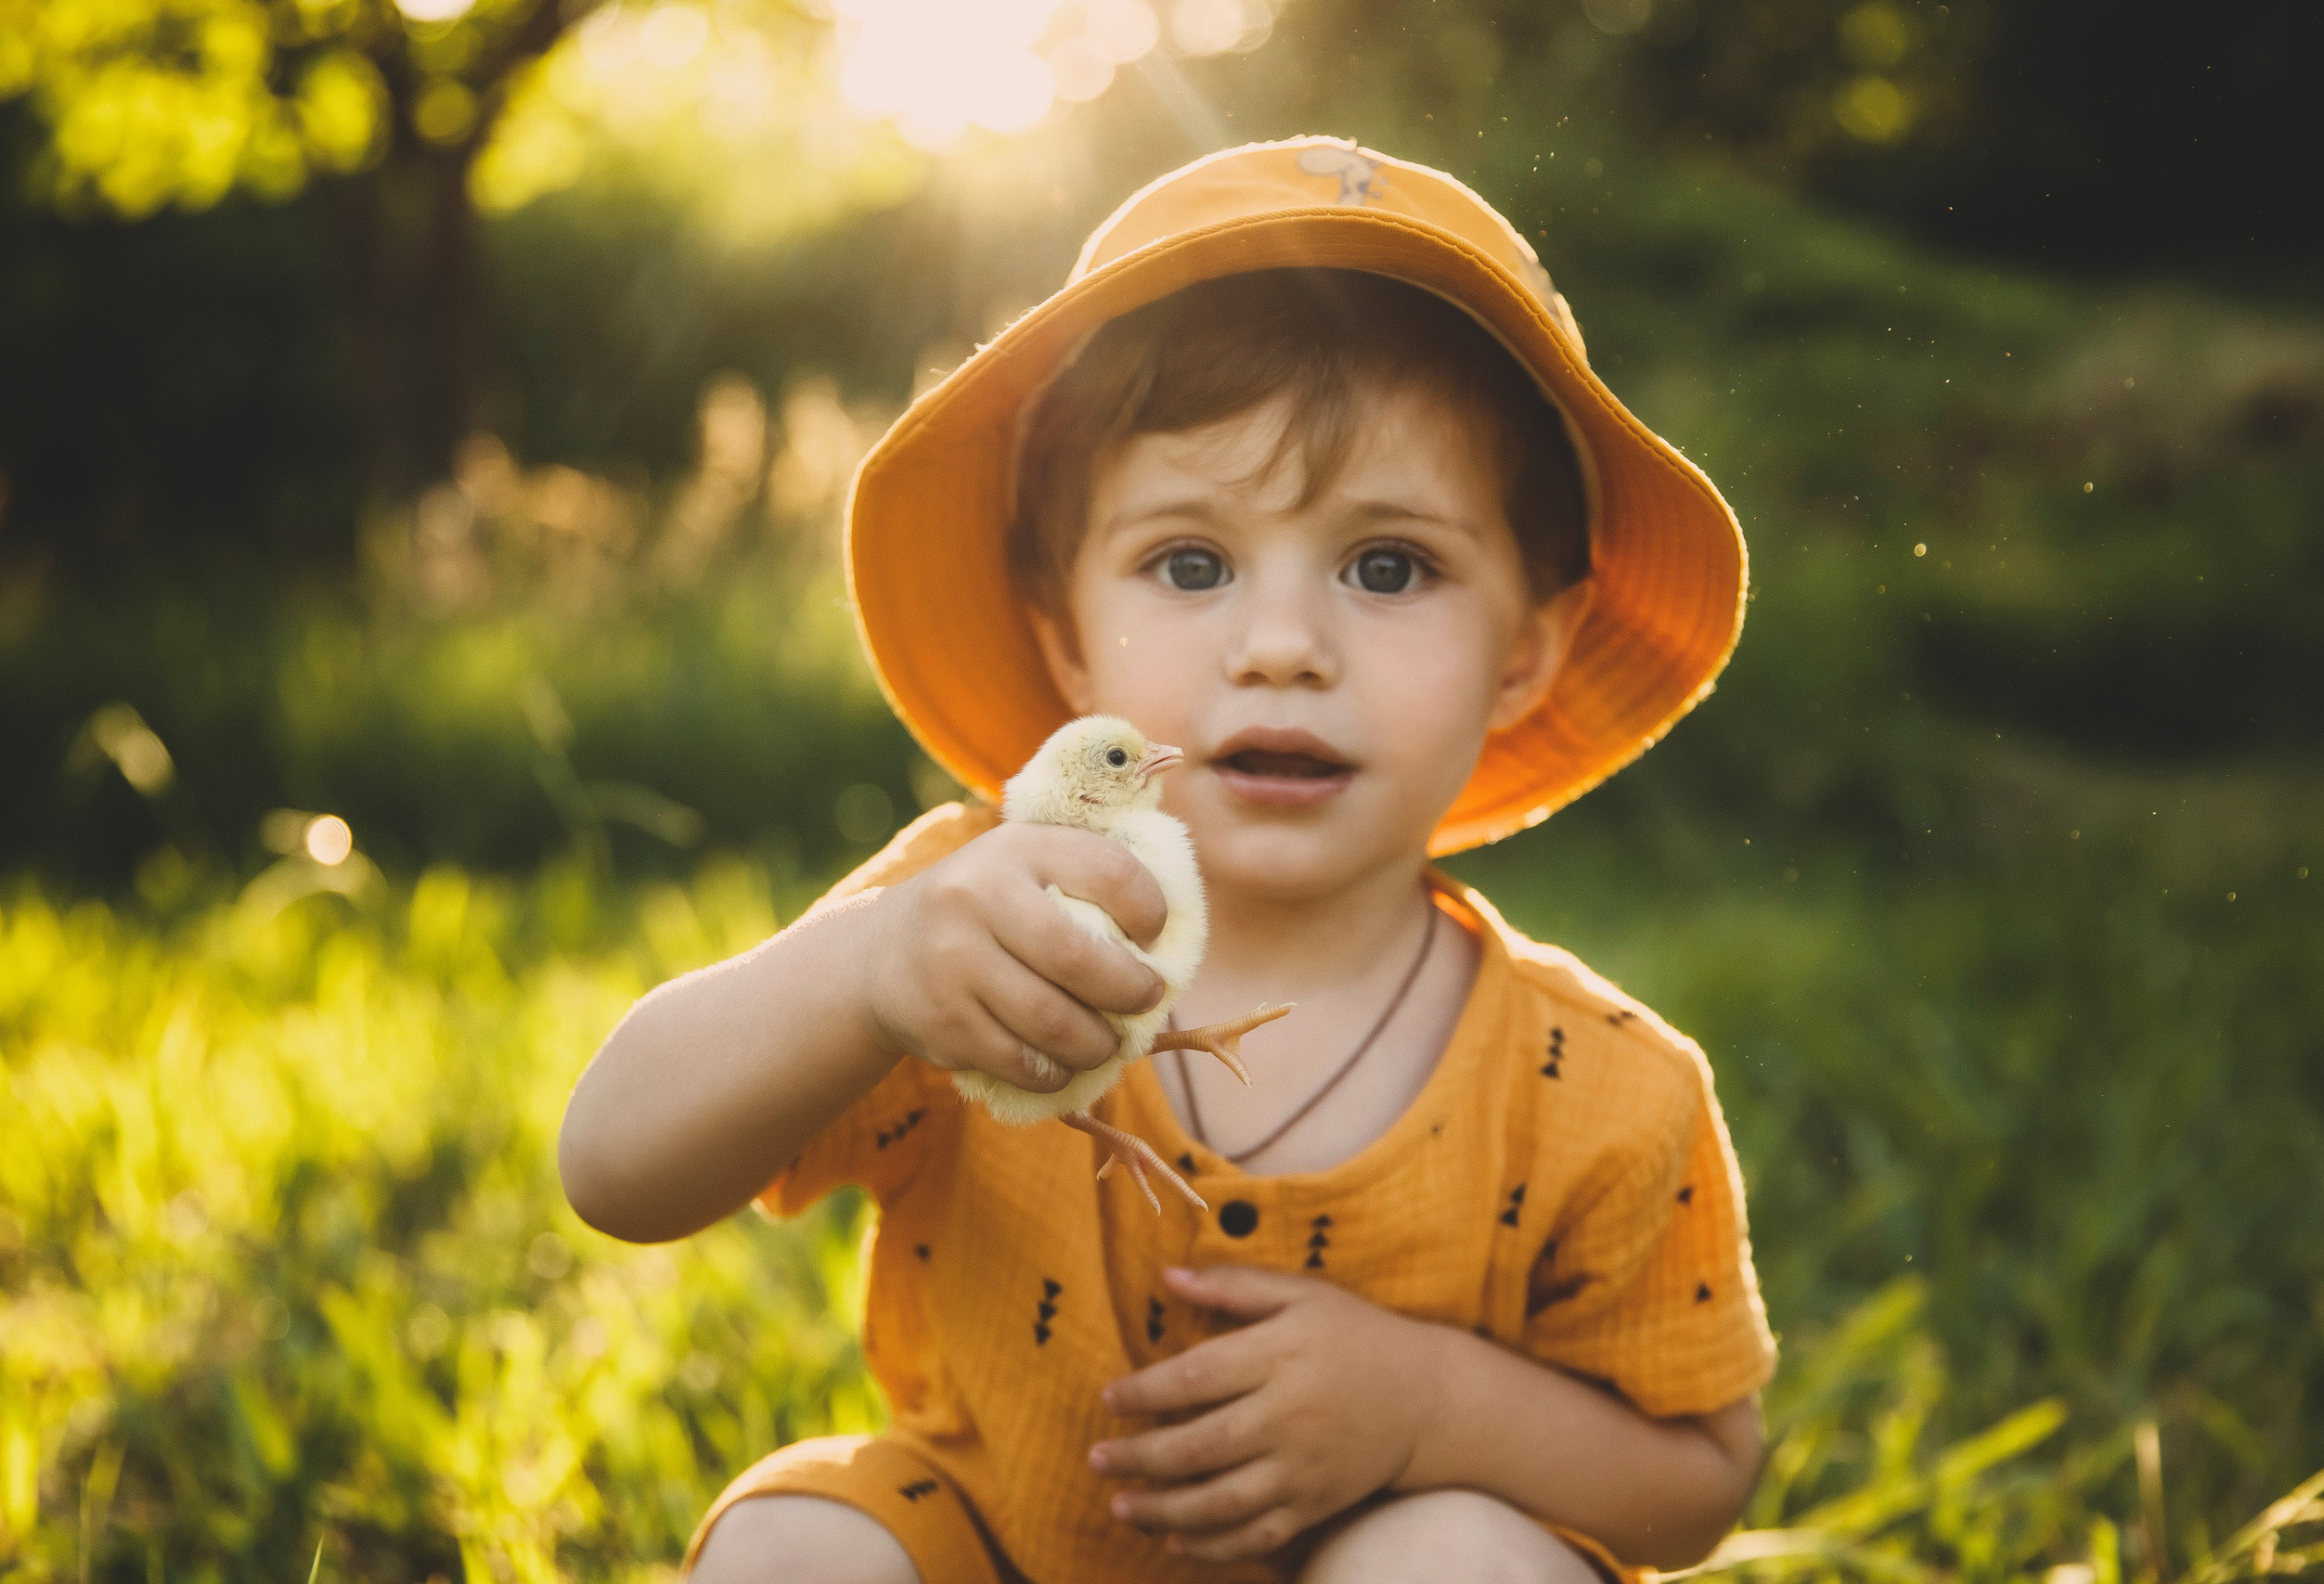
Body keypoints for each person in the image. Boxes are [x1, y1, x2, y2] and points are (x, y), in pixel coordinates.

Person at [559, 135, 1775, 1584]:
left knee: (1462, 1555)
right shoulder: (975, 928)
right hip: (995, 1549)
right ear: (1068, 639)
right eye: (1190, 565)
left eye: (1387, 566)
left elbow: (1701, 1476)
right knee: (799, 1543)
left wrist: (1430, 1410)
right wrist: (873, 968)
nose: (1281, 648)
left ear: (1526, 652)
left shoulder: (1606, 1092)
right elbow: (614, 1168)